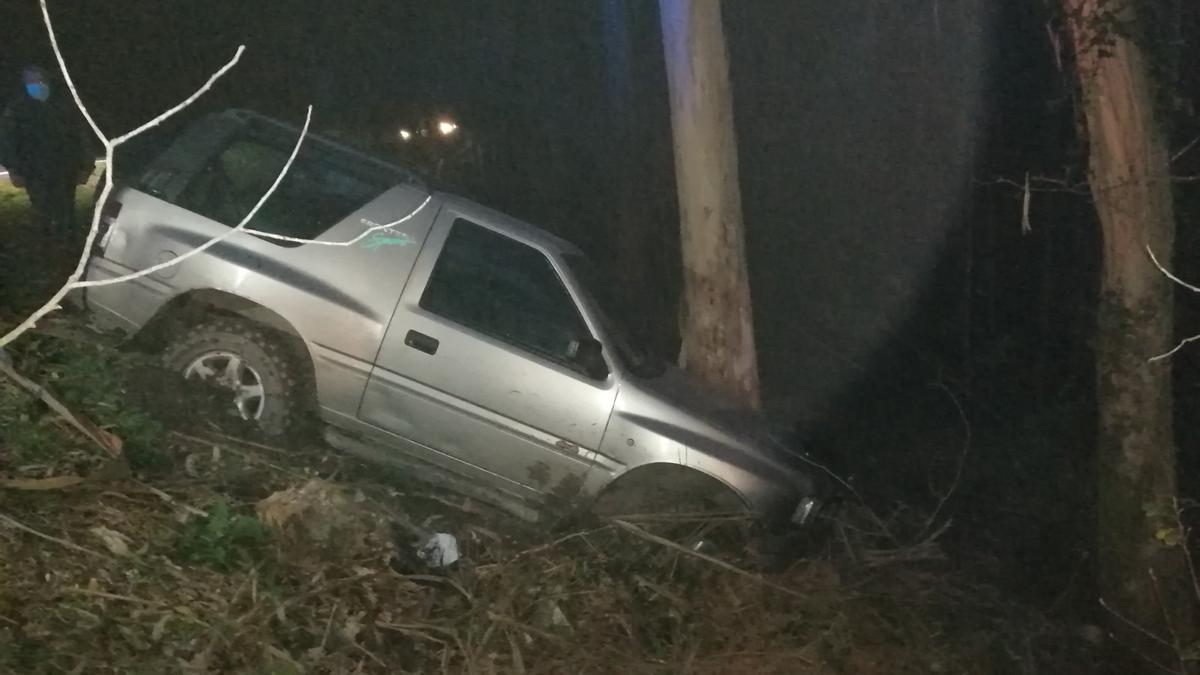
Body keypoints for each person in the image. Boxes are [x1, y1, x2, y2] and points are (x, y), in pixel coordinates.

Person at [0, 65, 92, 242]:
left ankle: (68, 244)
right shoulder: (17, 109)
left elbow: (80, 136)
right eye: (29, 82)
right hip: (34, 171)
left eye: (38, 80)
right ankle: (47, 243)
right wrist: (13, 168)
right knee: (43, 211)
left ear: (47, 80)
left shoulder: (64, 105)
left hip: (65, 169)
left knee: (66, 209)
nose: (35, 85)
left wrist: (86, 166)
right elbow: (7, 140)